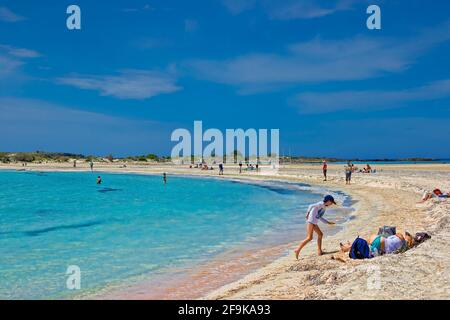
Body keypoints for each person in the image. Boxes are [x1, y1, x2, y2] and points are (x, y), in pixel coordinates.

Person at [294, 195, 337, 259]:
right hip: (311, 222)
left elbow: (319, 217)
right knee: (309, 237)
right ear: (328, 201)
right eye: (331, 202)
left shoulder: (324, 207)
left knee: (320, 234)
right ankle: (297, 250)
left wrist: (327, 222)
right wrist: (307, 213)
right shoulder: (320, 204)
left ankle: (319, 251)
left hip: (313, 222)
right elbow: (310, 205)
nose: (331, 204)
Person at [340, 232, 414, 256]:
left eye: (407, 235)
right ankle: (348, 247)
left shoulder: (402, 238)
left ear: (408, 239)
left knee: (363, 242)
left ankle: (348, 247)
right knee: (362, 244)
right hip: (380, 246)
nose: (405, 235)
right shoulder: (403, 247)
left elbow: (398, 234)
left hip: (379, 241)